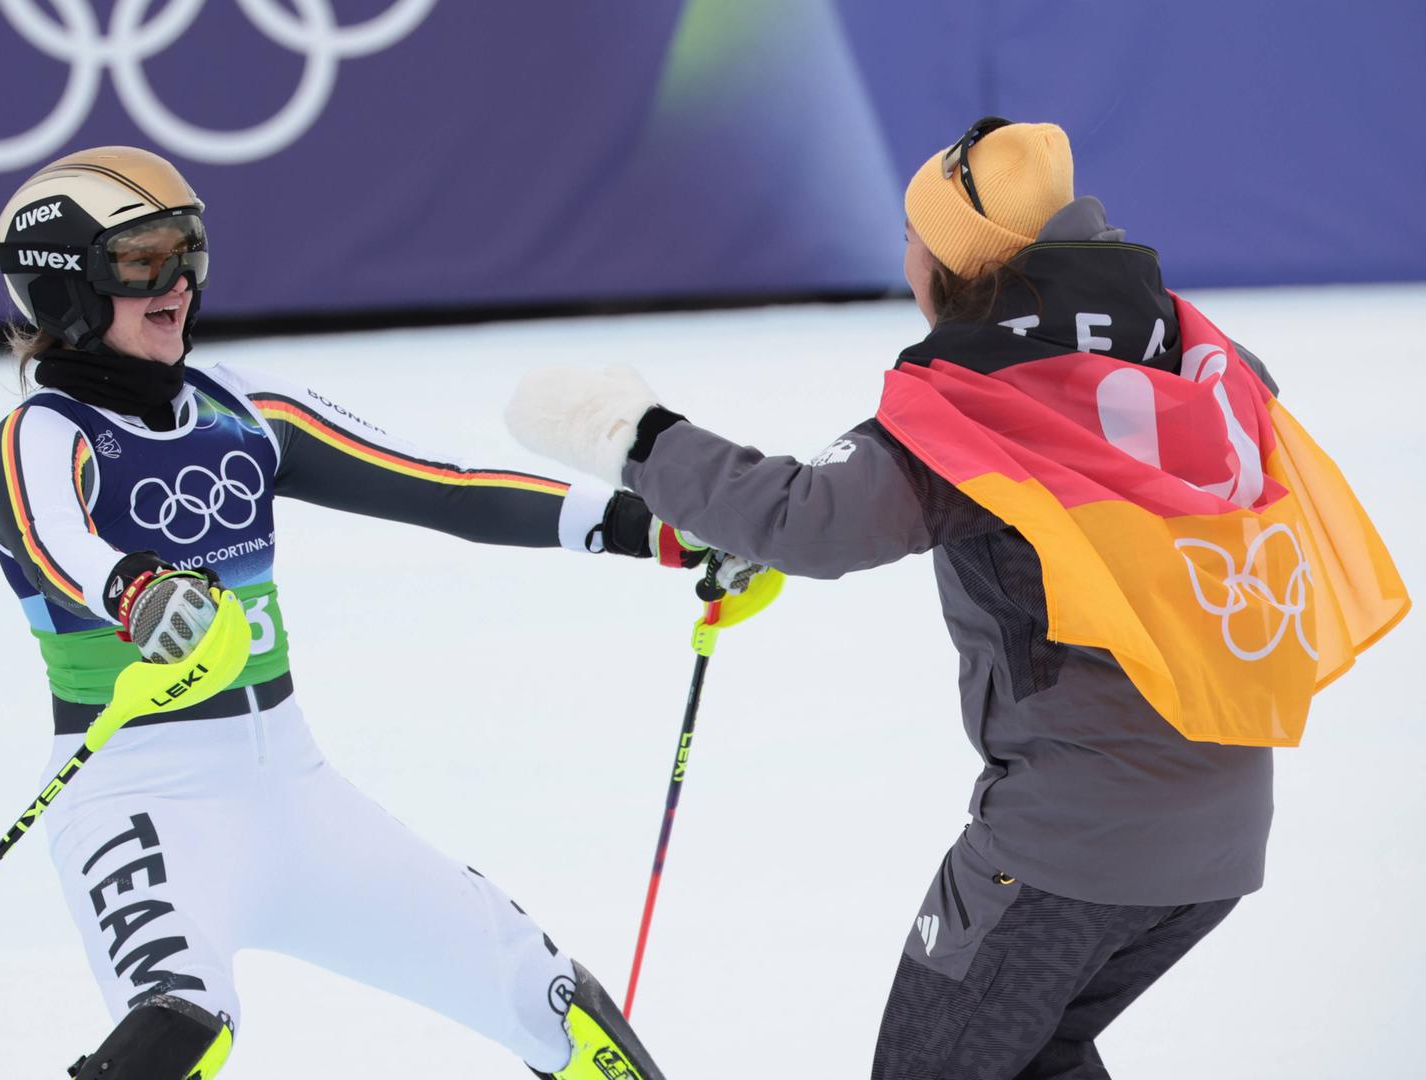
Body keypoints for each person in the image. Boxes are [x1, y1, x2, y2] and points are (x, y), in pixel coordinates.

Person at [506, 119, 1409, 1078]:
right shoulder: (1198, 353)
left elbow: (811, 518)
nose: (903, 256)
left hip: (1067, 847)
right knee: (1034, 1057)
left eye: (913, 236)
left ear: (950, 265)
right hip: (1222, 837)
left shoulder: (980, 404)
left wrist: (631, 434)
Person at [0, 146, 739, 1080]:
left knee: (538, 993)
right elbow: (50, 539)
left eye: (188, 253)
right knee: (183, 1025)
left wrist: (653, 530)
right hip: (138, 800)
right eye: (142, 262)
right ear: (63, 289)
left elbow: (448, 487)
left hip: (293, 796)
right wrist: (140, 595)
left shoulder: (243, 409)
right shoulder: (42, 436)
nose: (177, 282)